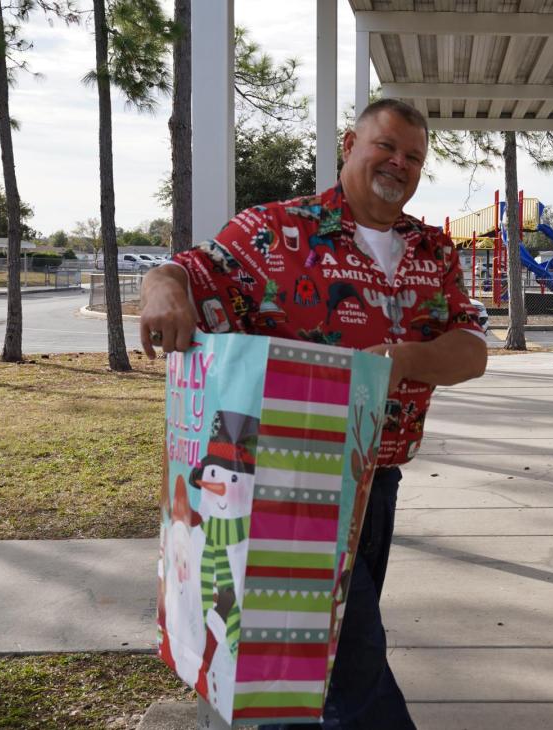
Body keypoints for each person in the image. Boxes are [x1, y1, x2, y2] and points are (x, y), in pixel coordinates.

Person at [140, 98, 488, 729]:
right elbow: (185, 271)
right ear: (350, 144)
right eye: (386, 146)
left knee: (314, 655)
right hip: (283, 480)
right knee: (351, 658)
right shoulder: (276, 230)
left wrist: (402, 360)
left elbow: (471, 350)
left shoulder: (432, 251)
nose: (399, 164)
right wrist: (163, 289)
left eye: (413, 156)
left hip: (375, 481)